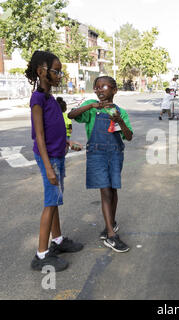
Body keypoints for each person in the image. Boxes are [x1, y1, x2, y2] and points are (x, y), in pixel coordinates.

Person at [26, 50, 83, 272]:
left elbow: (54, 129)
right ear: (42, 71)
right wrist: (49, 167)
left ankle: (57, 241)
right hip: (49, 159)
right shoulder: (38, 98)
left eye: (60, 71)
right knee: (50, 203)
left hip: (57, 155)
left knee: (56, 199)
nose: (60, 75)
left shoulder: (49, 97)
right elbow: (39, 135)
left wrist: (67, 142)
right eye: (56, 71)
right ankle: (41, 255)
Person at [68, 76, 133, 253]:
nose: (99, 90)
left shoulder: (120, 112)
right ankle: (111, 235)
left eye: (103, 86)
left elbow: (128, 136)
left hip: (115, 154)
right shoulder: (91, 108)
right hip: (97, 154)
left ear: (114, 90)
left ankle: (110, 224)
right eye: (96, 87)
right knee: (105, 191)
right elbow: (71, 115)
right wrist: (90, 106)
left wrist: (119, 121)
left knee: (113, 189)